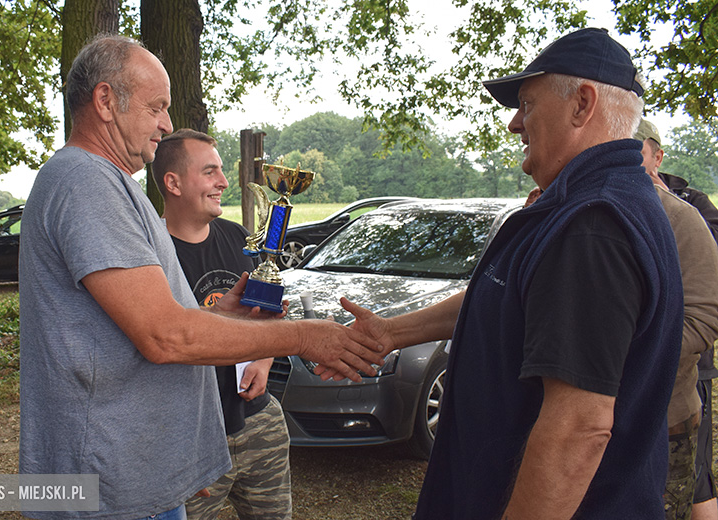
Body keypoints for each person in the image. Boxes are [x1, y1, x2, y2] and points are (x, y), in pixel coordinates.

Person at [18, 35, 382, 520]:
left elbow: (148, 319)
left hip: (138, 477)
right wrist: (303, 336)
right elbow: (164, 336)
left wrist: (222, 316)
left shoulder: (111, 185)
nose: (166, 123)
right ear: (105, 101)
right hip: (111, 491)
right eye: (156, 108)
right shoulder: (85, 181)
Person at [333, 28, 684, 518]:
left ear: (582, 105)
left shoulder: (592, 227)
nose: (515, 124)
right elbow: (508, 296)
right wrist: (392, 332)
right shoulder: (581, 207)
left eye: (527, 103)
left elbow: (578, 428)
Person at [152, 129, 292, 519]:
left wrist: (264, 358)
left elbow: (266, 316)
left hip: (258, 422)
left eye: (222, 171)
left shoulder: (239, 238)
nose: (224, 182)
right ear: (173, 182)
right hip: (190, 438)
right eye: (210, 171)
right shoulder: (149, 255)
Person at [636, 119, 718, 520]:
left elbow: (705, 298)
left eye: (638, 151)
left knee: (695, 479)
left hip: (684, 379)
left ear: (656, 155)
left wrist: (668, 209)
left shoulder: (691, 206)